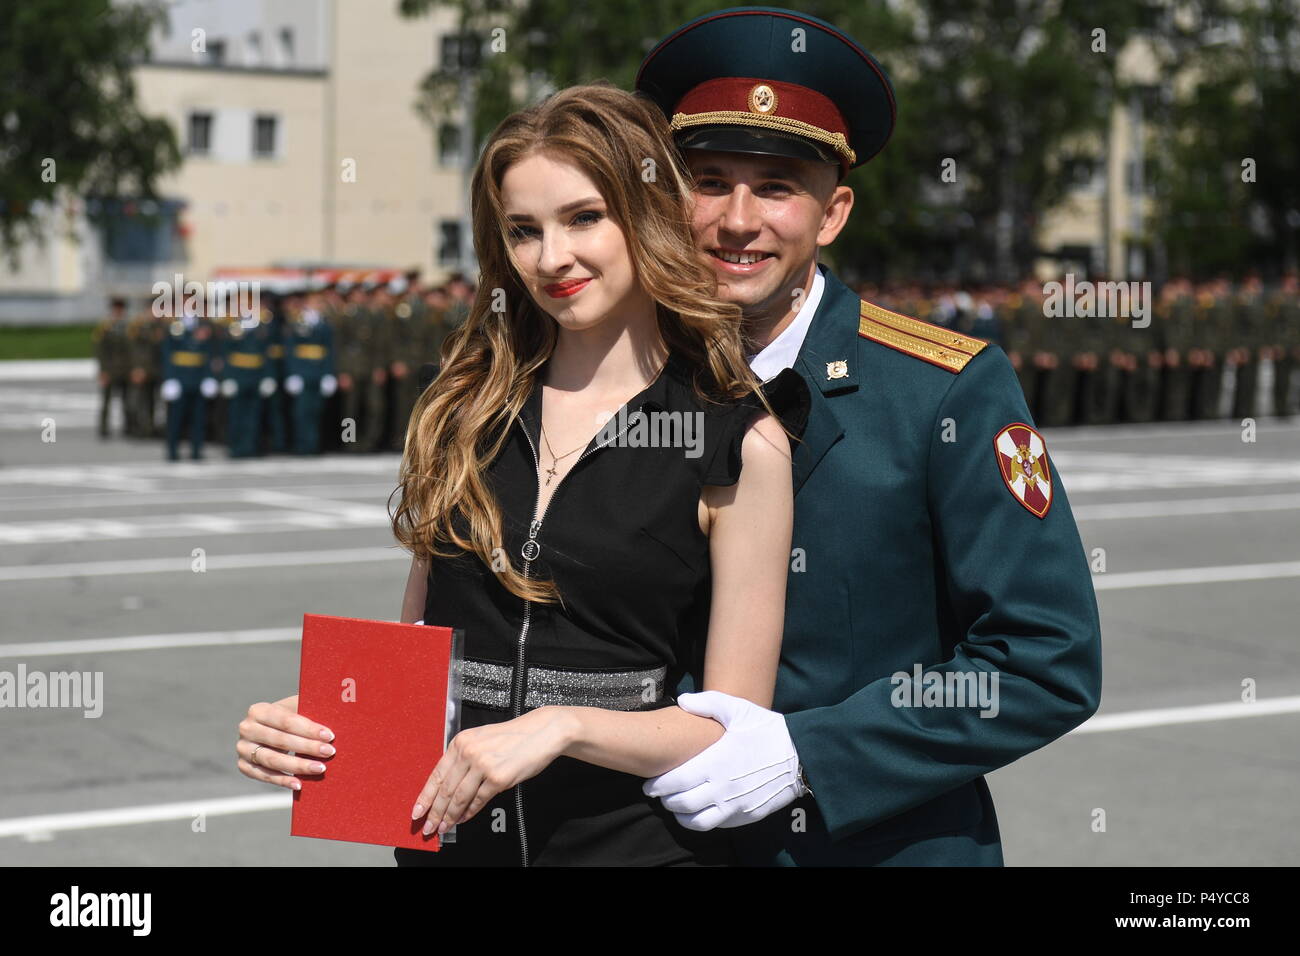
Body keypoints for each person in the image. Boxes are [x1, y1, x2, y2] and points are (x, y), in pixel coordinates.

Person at [234, 82, 810, 867]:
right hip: (448, 850)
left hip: (631, 852)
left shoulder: (738, 437)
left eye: (584, 218)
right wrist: (312, 724)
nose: (551, 257)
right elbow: (417, 663)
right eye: (523, 230)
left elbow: (731, 730)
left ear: (647, 215)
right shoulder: (461, 411)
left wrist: (564, 726)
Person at [635, 6, 1102, 866]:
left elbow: (1044, 658)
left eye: (778, 187)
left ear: (833, 213)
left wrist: (811, 754)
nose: (738, 220)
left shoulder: (941, 389)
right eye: (709, 180)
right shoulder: (621, 378)